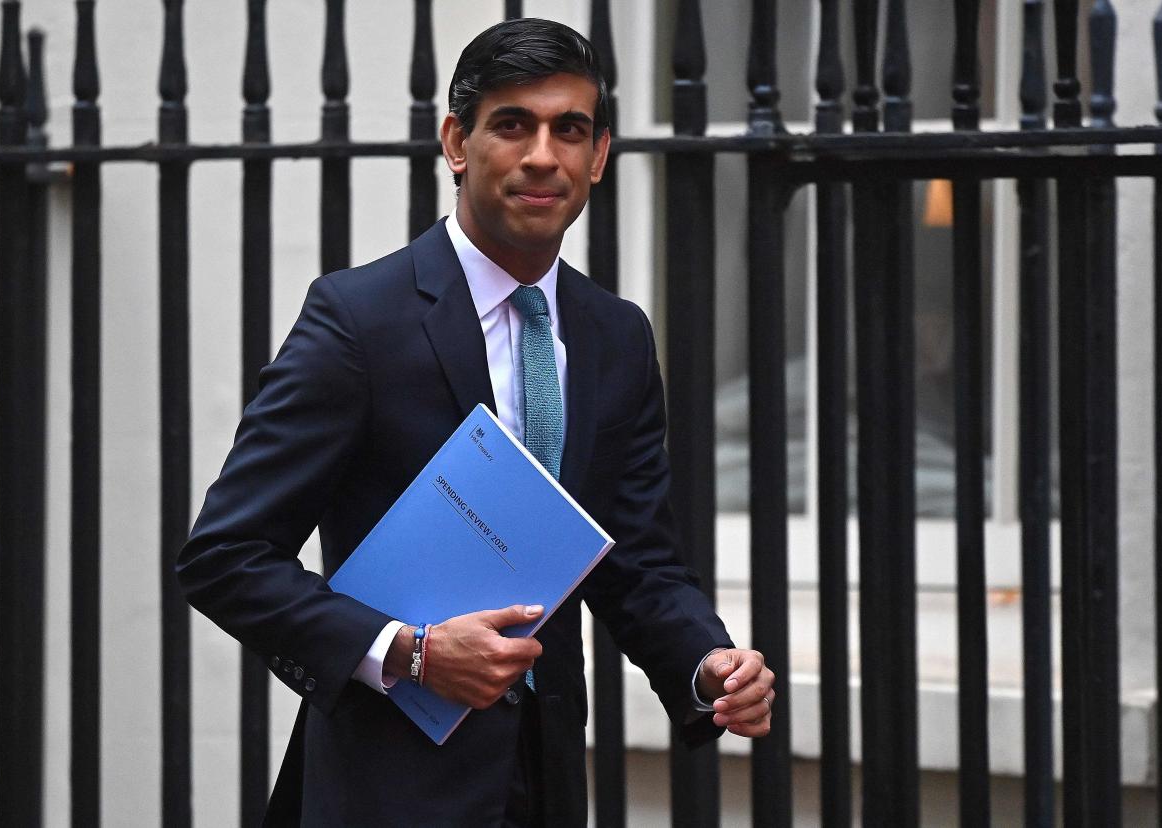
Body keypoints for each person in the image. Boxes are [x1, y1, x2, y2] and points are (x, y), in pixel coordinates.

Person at [178, 17, 776, 827]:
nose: (542, 155)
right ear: (457, 142)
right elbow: (226, 558)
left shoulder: (617, 335)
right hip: (383, 788)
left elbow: (635, 559)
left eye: (569, 129)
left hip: (548, 773)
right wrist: (411, 653)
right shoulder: (358, 320)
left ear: (598, 156)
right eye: (512, 125)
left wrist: (709, 664)